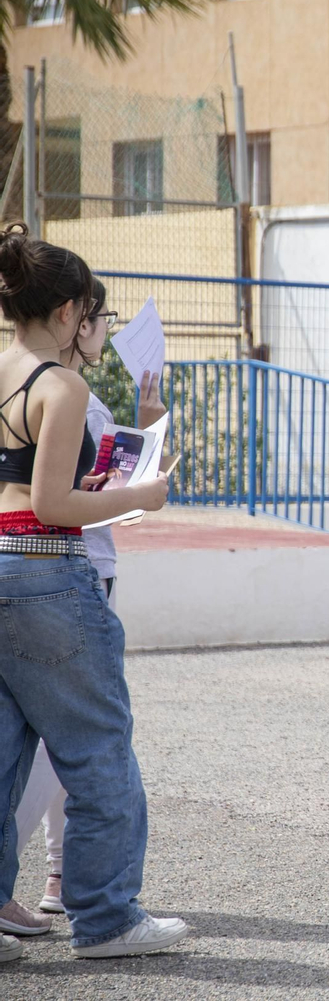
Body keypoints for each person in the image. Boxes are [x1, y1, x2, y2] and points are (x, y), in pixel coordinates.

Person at [0, 226, 180, 962]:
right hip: (47, 568)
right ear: (71, 308)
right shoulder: (61, 384)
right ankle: (107, 918)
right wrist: (143, 495)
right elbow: (52, 504)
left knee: (5, 753)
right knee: (99, 744)